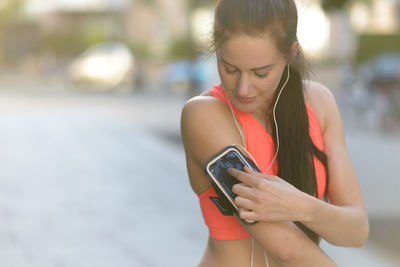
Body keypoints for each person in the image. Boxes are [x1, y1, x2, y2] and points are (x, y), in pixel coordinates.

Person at [180, 0, 369, 266]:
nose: (243, 88)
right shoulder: (204, 115)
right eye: (230, 68)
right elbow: (287, 247)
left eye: (261, 72)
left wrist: (299, 205)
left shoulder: (320, 103)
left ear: (291, 53)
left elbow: (356, 229)